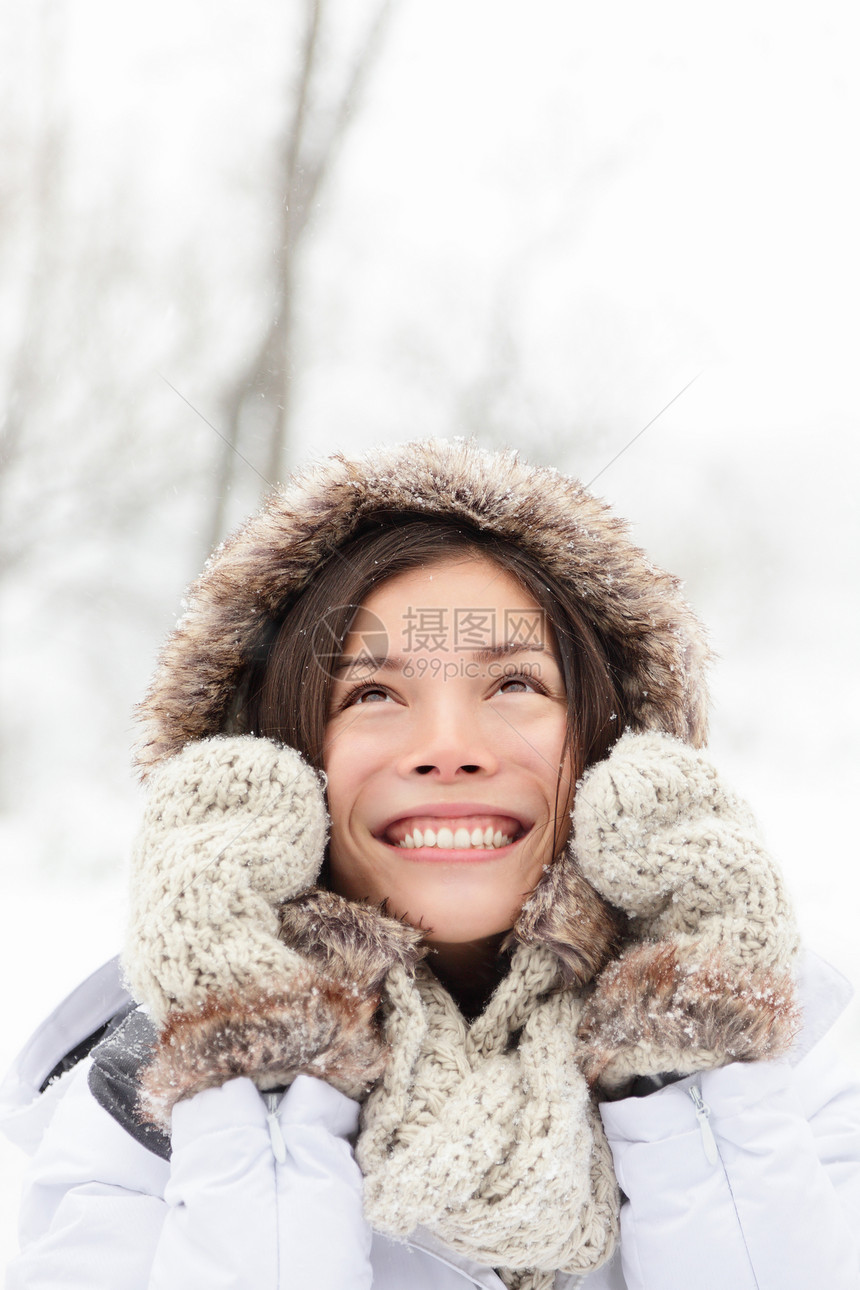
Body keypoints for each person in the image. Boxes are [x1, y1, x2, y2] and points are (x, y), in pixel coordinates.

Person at [3, 438, 859, 1290]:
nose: (448, 749)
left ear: (610, 748)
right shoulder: (149, 1097)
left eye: (515, 685)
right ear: (274, 764)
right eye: (372, 693)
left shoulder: (797, 1048)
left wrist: (691, 1046)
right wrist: (254, 1070)